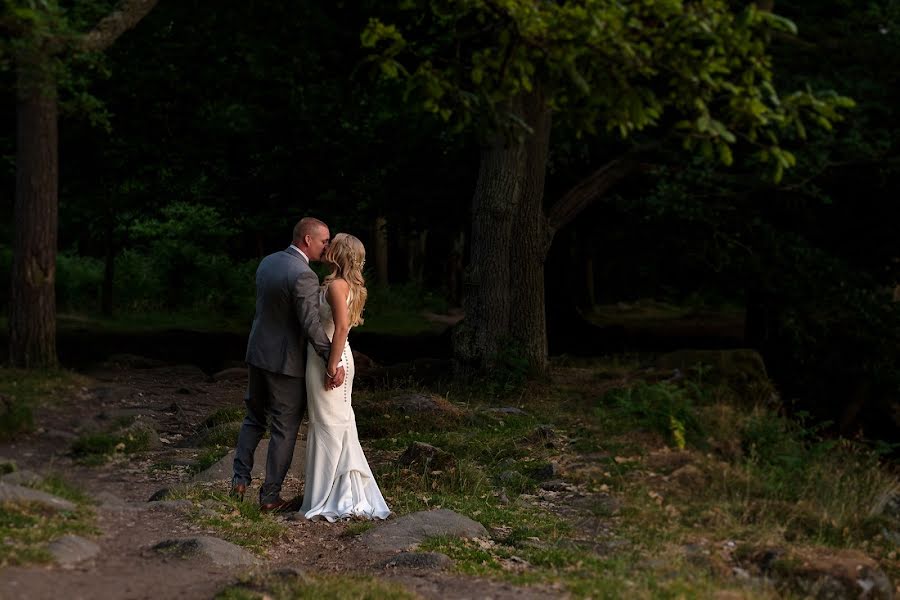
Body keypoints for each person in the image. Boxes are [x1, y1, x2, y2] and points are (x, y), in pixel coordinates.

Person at [231, 217, 345, 512]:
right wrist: (331, 359)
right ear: (307, 240)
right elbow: (310, 324)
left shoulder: (268, 262)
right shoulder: (303, 274)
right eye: (324, 241)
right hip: (286, 362)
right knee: (284, 426)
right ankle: (270, 496)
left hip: (257, 352)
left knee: (253, 418)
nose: (327, 247)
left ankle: (239, 480)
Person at [299, 233, 390, 521]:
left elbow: (340, 328)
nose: (326, 247)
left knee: (329, 424)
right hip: (331, 357)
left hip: (331, 358)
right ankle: (336, 490)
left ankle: (331, 495)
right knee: (333, 422)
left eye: (331, 244)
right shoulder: (339, 283)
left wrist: (331, 365)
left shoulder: (338, 286)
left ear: (339, 253)